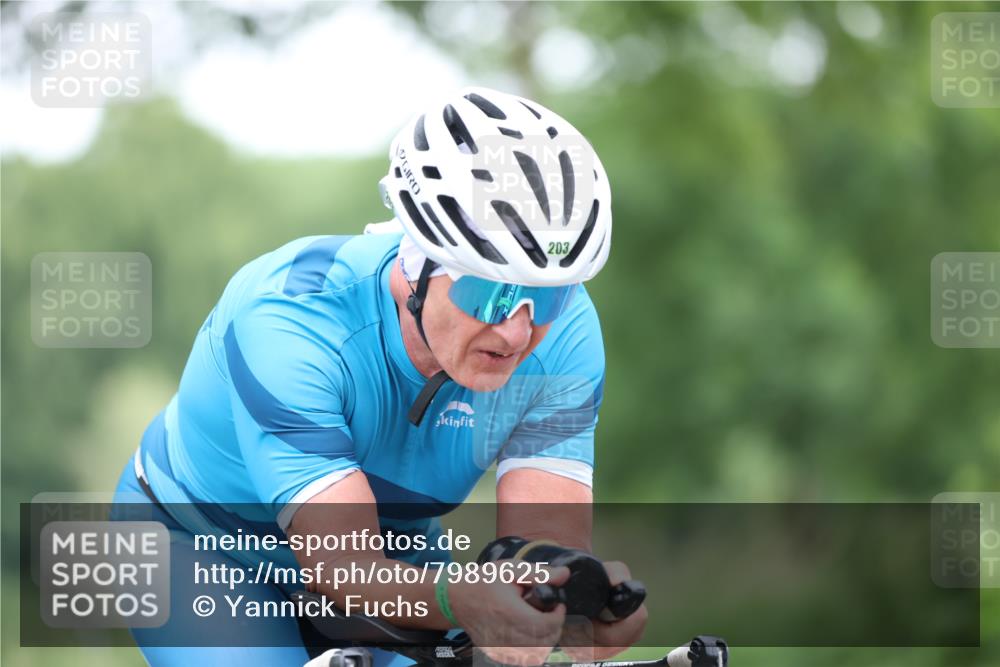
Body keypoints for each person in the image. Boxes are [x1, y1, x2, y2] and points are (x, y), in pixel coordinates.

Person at [112, 87, 645, 666]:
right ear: (417, 264)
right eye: (492, 293)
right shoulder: (290, 321)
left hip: (394, 553)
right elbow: (342, 563)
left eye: (547, 297)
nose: (518, 332)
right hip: (200, 545)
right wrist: (460, 600)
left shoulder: (565, 335)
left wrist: (569, 604)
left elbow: (542, 548)